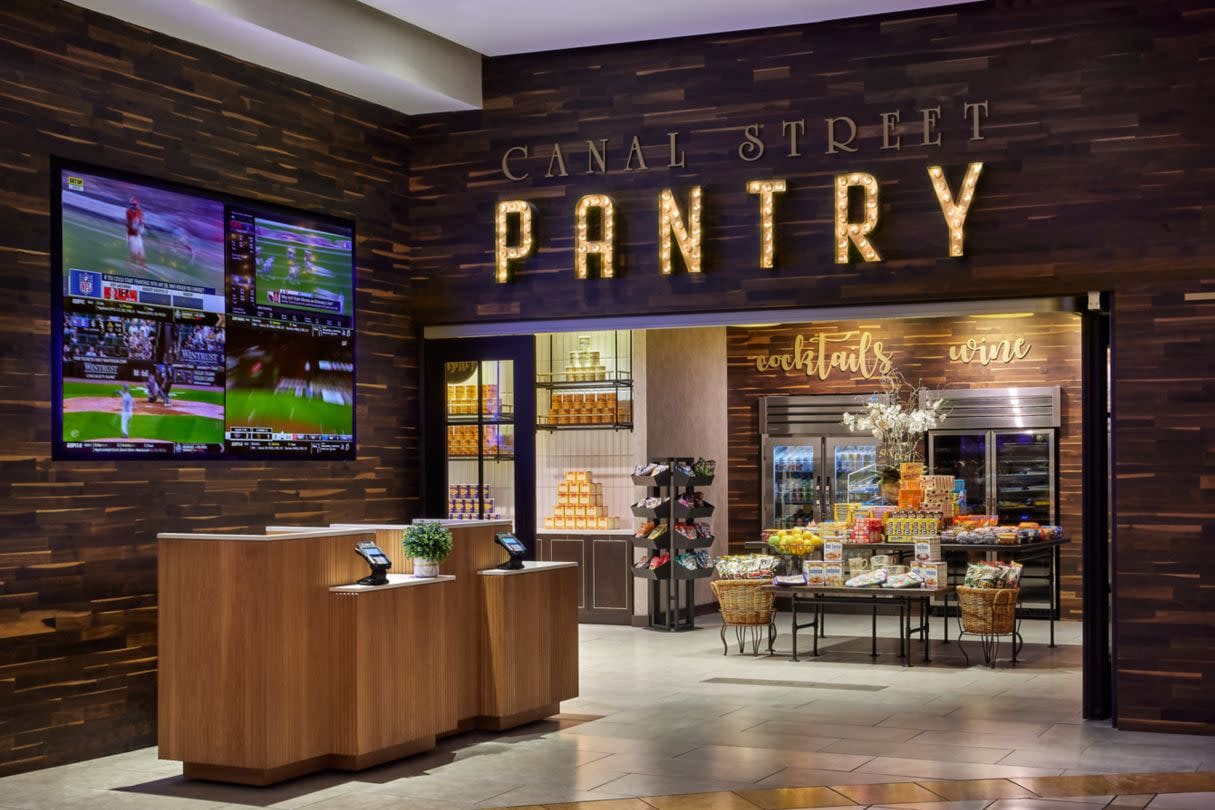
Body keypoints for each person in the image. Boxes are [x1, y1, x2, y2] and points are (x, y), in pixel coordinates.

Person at [126, 196, 146, 268]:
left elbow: (140, 221)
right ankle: (129, 263)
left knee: (141, 249)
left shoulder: (139, 211)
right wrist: (135, 227)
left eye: (135, 204)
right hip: (131, 234)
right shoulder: (129, 212)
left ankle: (141, 264)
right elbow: (129, 224)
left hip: (137, 234)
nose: (134, 206)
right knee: (135, 252)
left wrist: (141, 227)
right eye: (133, 204)